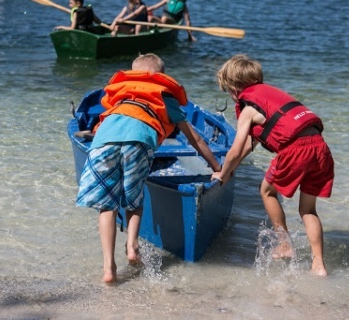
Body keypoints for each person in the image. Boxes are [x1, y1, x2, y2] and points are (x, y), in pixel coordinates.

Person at [76, 53, 222, 284]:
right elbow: (196, 139)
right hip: (139, 142)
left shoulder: (121, 95)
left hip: (103, 142)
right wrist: (217, 167)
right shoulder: (165, 97)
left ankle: (109, 268)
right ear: (162, 76)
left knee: (107, 207)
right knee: (134, 201)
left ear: (133, 74)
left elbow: (107, 123)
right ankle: (132, 245)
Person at [212, 54, 334, 277]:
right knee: (308, 209)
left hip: (295, 150)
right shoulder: (271, 98)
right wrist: (232, 170)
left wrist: (222, 173)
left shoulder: (248, 109)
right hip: (320, 148)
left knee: (266, 191)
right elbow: (250, 144)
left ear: (232, 88)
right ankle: (318, 265)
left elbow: (237, 148)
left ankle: (284, 244)